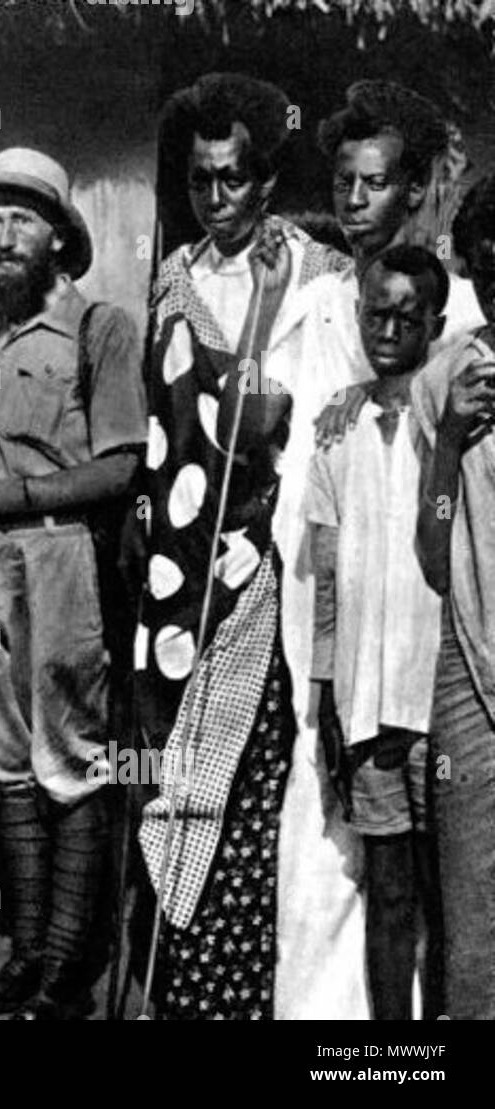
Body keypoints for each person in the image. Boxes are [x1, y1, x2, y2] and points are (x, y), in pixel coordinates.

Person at [134, 72, 367, 1019]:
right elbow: (166, 438)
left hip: (271, 578)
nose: (217, 199)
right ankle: (184, 990)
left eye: (234, 179)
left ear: (268, 181)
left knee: (258, 786)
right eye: (201, 181)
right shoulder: (174, 281)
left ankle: (256, 995)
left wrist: (267, 309)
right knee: (176, 782)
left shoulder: (321, 280)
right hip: (178, 581)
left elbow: (273, 424)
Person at [0, 148, 145, 1020]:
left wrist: (9, 495)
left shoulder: (102, 330)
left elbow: (120, 467)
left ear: (60, 235)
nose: (3, 235)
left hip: (59, 562)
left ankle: (67, 970)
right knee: (7, 763)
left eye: (23, 217)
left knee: (73, 763)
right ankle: (24, 955)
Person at [306, 246, 448, 1019]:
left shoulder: (455, 421)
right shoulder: (337, 429)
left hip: (444, 706)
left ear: (436, 321)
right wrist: (327, 694)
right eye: (376, 312)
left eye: (408, 315)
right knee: (389, 894)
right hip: (367, 709)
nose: (389, 328)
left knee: (450, 896)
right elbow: (326, 579)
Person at [414, 174, 495, 1019]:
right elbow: (433, 554)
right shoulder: (450, 375)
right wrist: (449, 438)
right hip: (471, 666)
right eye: (491, 269)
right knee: (473, 916)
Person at [311, 81, 483, 446]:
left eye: (375, 183)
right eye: (344, 183)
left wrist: (381, 390)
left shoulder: (465, 309)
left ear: (415, 188)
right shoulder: (317, 302)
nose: (354, 200)